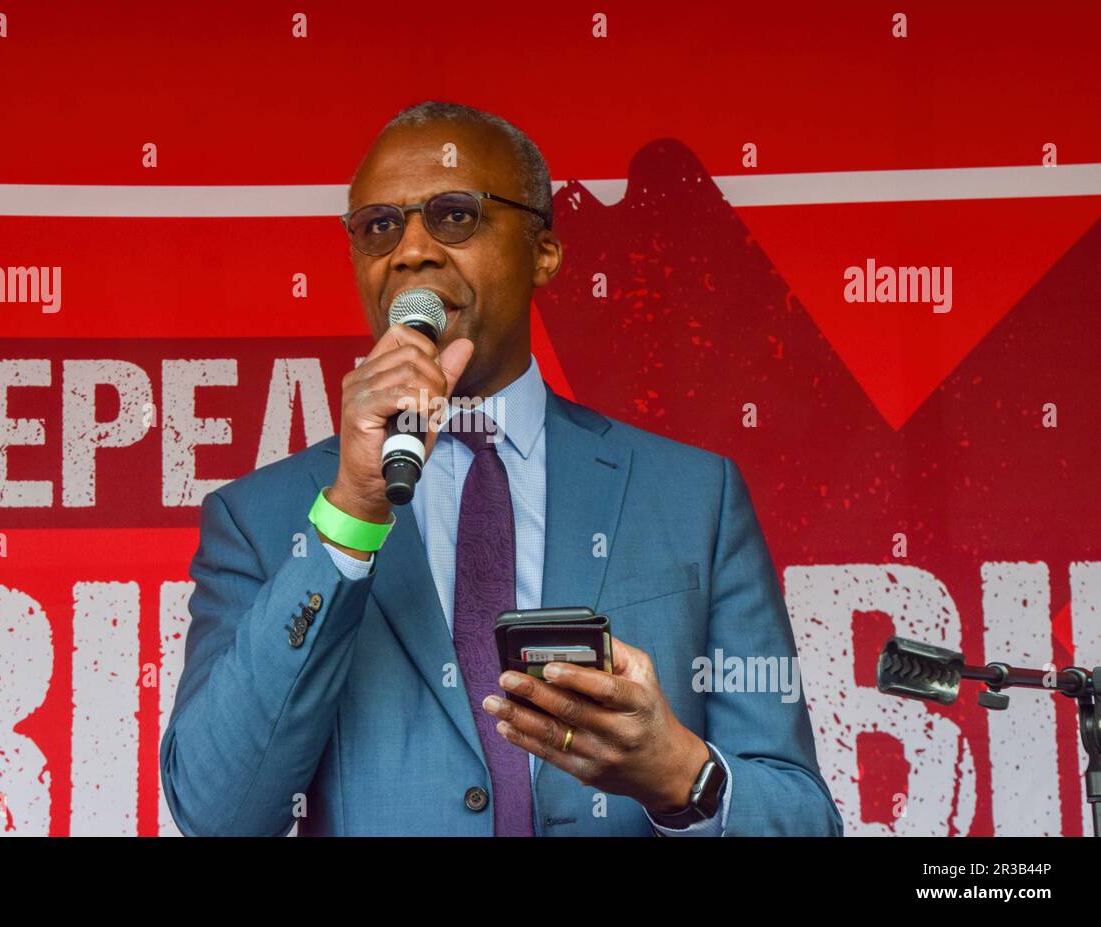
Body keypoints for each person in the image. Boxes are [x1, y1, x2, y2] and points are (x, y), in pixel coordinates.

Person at [160, 101, 842, 836]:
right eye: (379, 226)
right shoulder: (261, 519)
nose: (412, 250)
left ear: (544, 251)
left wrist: (680, 774)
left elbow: (803, 818)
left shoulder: (693, 497)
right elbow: (216, 812)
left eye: (455, 215)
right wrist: (351, 514)